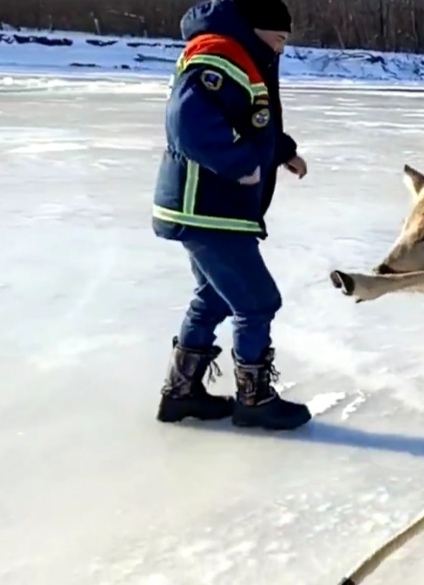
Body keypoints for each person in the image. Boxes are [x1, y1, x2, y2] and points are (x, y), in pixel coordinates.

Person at [152, 0, 311, 431]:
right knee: (257, 301)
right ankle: (254, 398)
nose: (280, 51)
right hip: (209, 207)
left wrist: (283, 152)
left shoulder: (238, 55)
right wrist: (240, 164)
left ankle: (181, 393)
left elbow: (251, 122)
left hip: (212, 208)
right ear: (258, 30)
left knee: (215, 296)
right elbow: (187, 121)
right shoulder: (219, 53)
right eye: (278, 40)